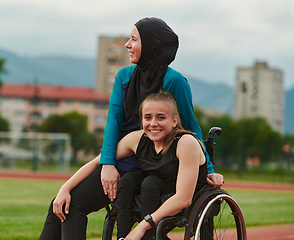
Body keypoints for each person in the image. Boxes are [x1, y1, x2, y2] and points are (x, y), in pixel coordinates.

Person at [39, 17, 223, 240]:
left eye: (134, 39)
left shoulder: (175, 81)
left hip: (157, 161)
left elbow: (191, 127)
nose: (127, 44)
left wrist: (210, 170)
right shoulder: (123, 76)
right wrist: (108, 164)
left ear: (151, 45)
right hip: (126, 153)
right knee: (64, 204)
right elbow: (113, 122)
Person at [114, 91, 207, 240]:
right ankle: (122, 238)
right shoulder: (138, 138)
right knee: (128, 180)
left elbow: (184, 199)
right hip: (153, 190)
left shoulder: (186, 142)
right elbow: (100, 160)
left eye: (161, 117)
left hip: (182, 196)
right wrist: (66, 188)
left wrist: (142, 227)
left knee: (150, 183)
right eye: (147, 117)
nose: (153, 123)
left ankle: (145, 236)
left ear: (174, 121)